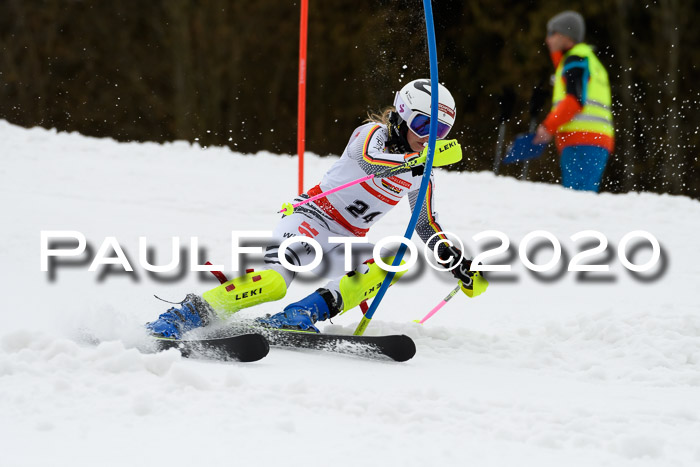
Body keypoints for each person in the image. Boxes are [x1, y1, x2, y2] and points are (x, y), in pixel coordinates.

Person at [146, 79, 488, 339]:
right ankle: (186, 314)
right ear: (400, 115)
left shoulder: (420, 174)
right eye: (423, 125)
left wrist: (458, 263)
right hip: (310, 221)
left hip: (345, 241)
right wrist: (416, 163)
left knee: (396, 258)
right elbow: (371, 164)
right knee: (273, 283)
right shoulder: (371, 136)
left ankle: (300, 315)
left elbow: (426, 226)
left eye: (440, 130)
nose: (429, 137)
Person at [532, 10, 615, 192]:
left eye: (552, 33)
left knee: (578, 201)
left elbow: (574, 101)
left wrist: (548, 126)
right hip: (594, 140)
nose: (548, 39)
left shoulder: (575, 60)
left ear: (565, 35)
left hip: (582, 141)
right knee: (582, 197)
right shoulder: (589, 60)